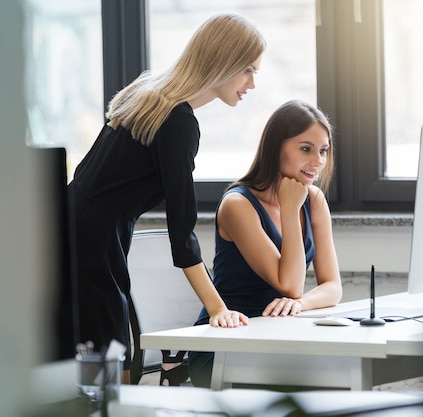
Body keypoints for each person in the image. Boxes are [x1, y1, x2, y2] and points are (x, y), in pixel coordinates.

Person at [65, 13, 265, 384]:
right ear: (223, 61)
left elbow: (88, 177)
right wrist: (217, 308)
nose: (252, 83)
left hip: (81, 224)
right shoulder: (177, 121)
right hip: (93, 239)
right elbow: (182, 231)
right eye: (247, 70)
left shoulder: (151, 93)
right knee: (109, 357)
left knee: (102, 350)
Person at [187, 99, 343, 388]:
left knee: (339, 374)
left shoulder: (314, 200)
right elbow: (290, 284)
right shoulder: (238, 205)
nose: (318, 161)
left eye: (323, 150)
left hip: (276, 334)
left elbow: (333, 287)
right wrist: (289, 208)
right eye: (305, 149)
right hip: (226, 342)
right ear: (276, 147)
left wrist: (298, 305)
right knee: (318, 382)